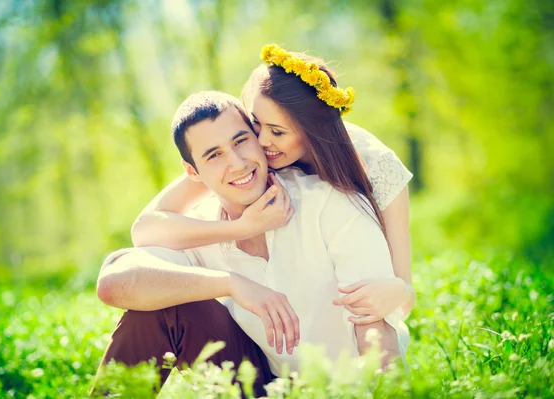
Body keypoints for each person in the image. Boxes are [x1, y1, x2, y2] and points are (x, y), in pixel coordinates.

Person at [93, 91, 407, 396]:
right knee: (157, 308)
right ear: (193, 172)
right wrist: (231, 283)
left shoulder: (328, 203)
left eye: (241, 141)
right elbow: (113, 283)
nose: (238, 164)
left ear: (259, 138)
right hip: (258, 386)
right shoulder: (197, 229)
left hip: (342, 389)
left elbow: (376, 333)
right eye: (214, 155)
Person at [131, 44, 415, 322]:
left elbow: (405, 294)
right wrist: (243, 228)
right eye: (256, 123)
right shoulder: (239, 157)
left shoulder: (375, 165)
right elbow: (145, 231)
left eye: (277, 132)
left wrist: (397, 291)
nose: (262, 141)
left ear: (310, 132)